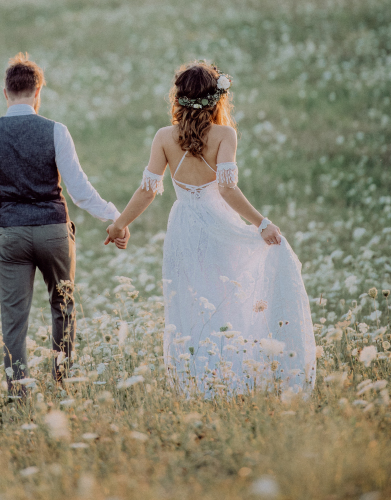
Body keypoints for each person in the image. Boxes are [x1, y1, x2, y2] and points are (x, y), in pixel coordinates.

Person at [105, 60, 316, 396]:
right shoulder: (224, 135)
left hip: (184, 229)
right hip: (219, 227)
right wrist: (262, 224)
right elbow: (228, 190)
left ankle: (199, 384)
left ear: (178, 98)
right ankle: (236, 379)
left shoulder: (163, 137)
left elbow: (148, 190)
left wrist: (119, 224)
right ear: (217, 98)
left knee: (192, 305)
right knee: (228, 300)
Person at [0, 52, 129, 394]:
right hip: (54, 231)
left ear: (5, 92)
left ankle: (18, 394)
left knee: (14, 321)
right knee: (64, 308)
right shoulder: (56, 131)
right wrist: (114, 215)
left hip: (11, 233)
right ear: (38, 91)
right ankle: (62, 384)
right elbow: (78, 189)